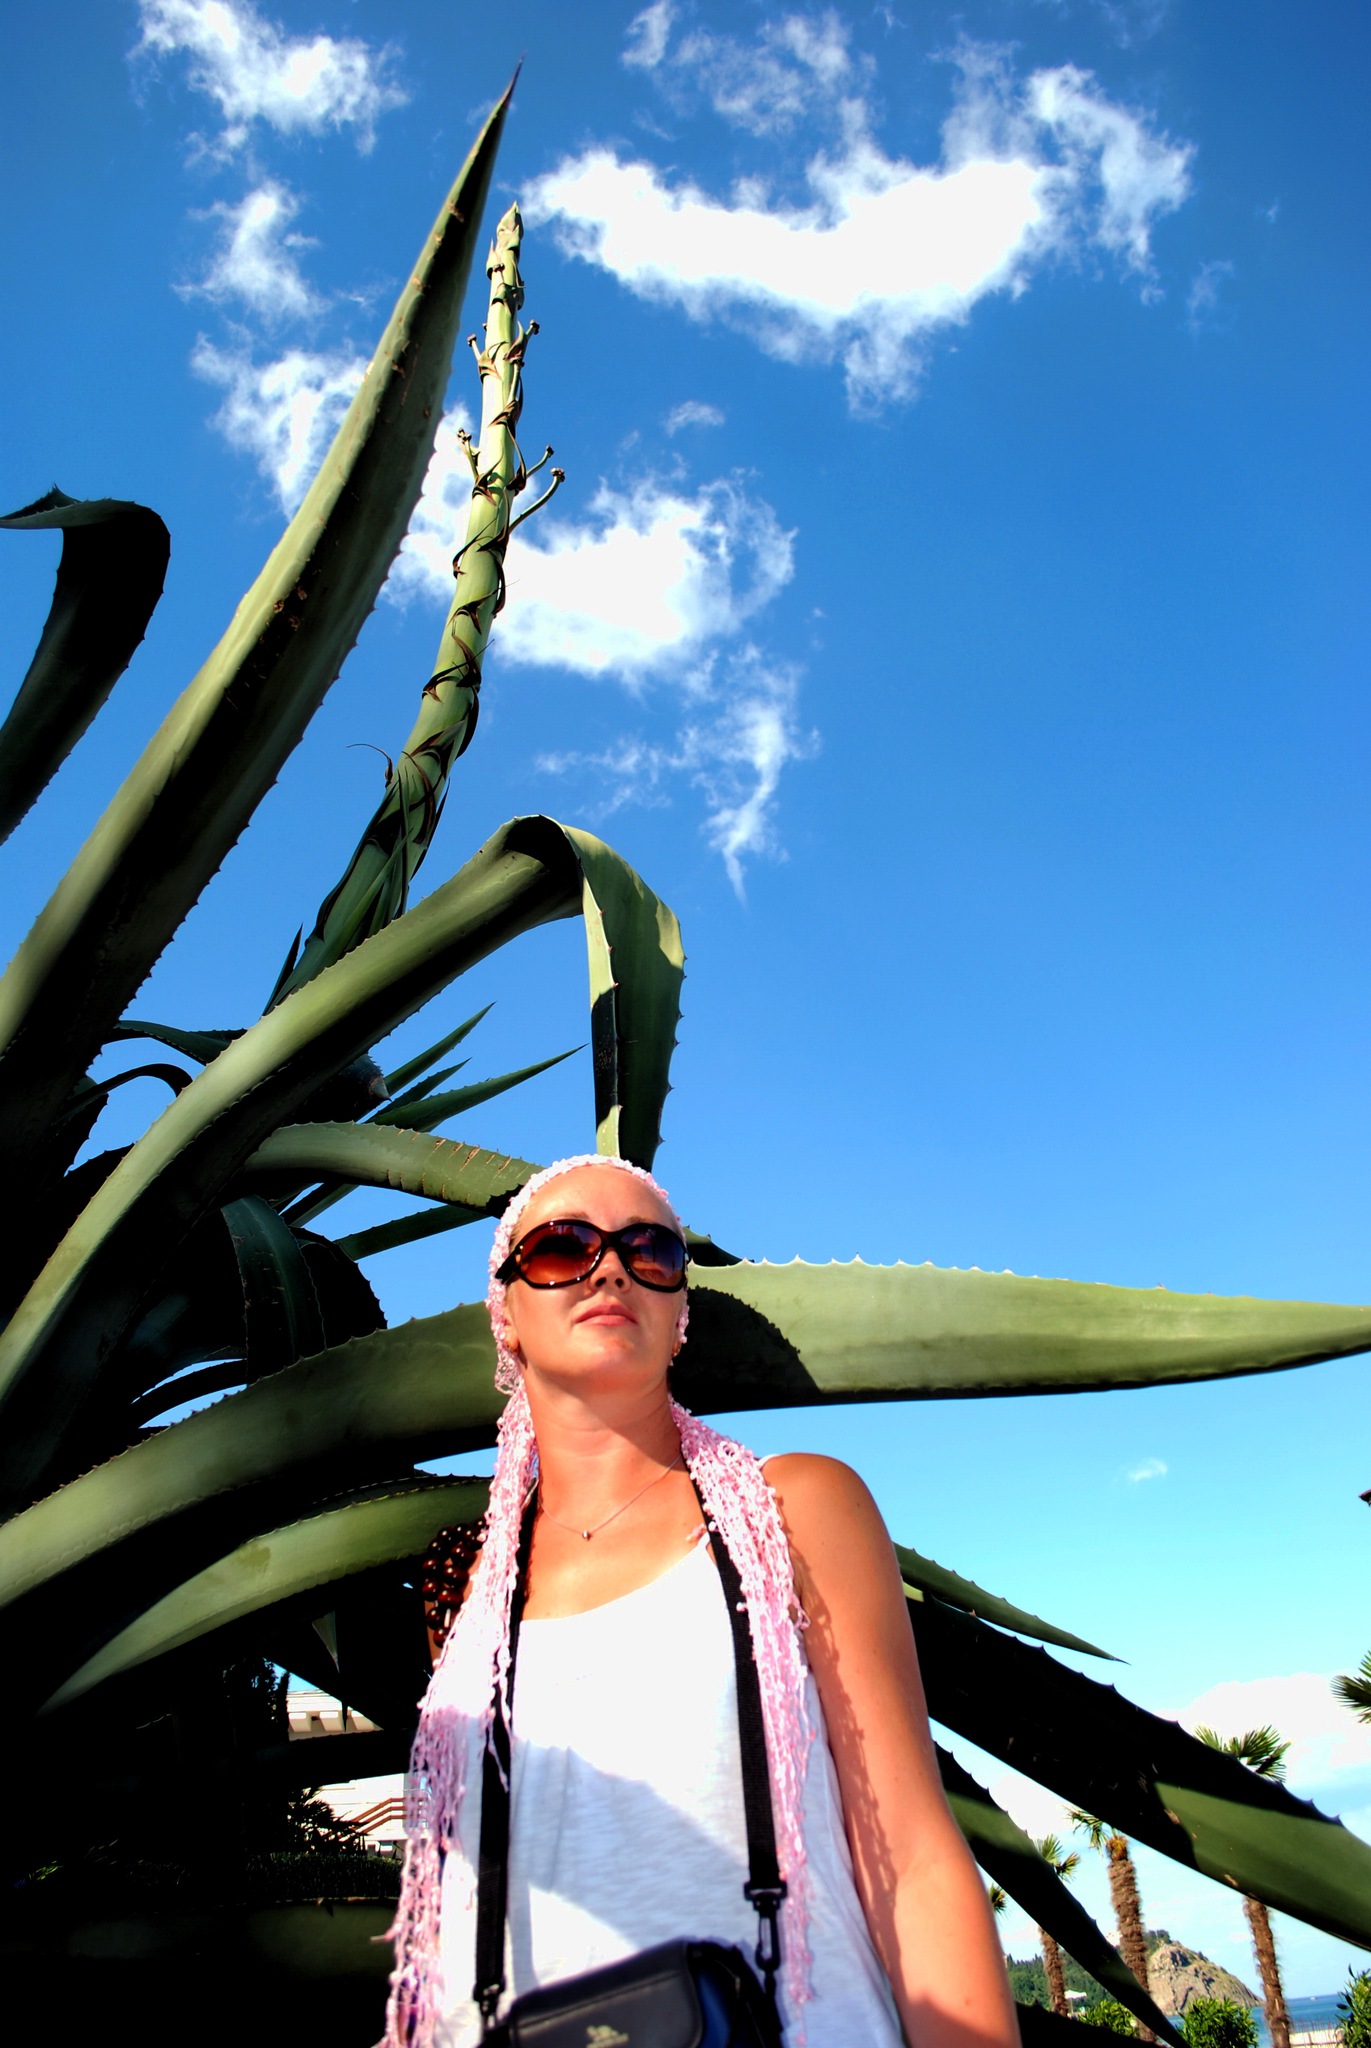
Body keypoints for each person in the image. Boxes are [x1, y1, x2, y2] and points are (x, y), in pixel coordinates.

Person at [386, 1154, 1020, 2048]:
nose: (610, 1269)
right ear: (507, 1315)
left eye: (650, 1251)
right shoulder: (466, 1581)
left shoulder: (791, 1511)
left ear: (679, 1312)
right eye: (562, 1247)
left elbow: (909, 1858)